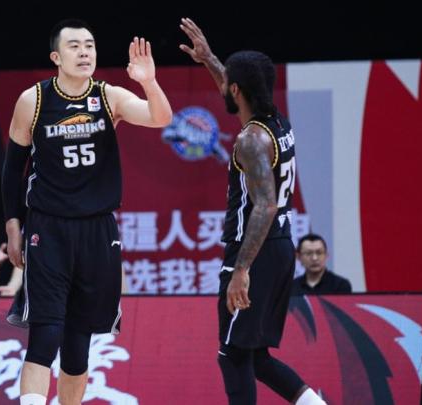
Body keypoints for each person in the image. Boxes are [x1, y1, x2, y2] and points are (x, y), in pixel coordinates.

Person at [2, 19, 172, 405]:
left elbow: (161, 117)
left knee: (78, 343)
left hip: (97, 229)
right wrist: (12, 226)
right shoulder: (33, 100)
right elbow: (13, 170)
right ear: (56, 57)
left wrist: (148, 82)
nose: (84, 52)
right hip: (48, 227)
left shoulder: (108, 97)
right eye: (75, 46)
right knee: (45, 333)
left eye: (90, 45)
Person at [180, 18, 326, 404]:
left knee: (231, 356)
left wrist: (241, 270)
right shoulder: (276, 123)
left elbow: (265, 203)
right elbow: (234, 88)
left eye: (228, 82)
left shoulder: (251, 140)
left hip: (255, 251)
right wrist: (209, 59)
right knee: (255, 357)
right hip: (280, 247)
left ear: (236, 90)